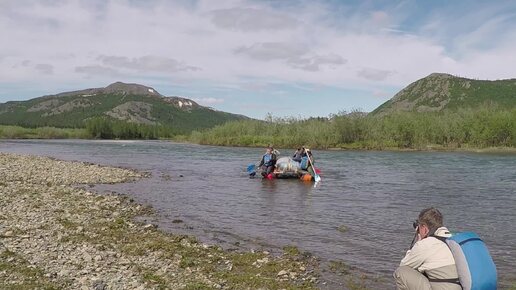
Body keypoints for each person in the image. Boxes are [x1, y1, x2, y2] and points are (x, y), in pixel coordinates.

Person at [394, 207, 461, 290]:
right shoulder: (454, 239)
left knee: (401, 272)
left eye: (419, 227)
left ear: (425, 229)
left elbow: (404, 265)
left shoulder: (425, 244)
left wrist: (417, 243)